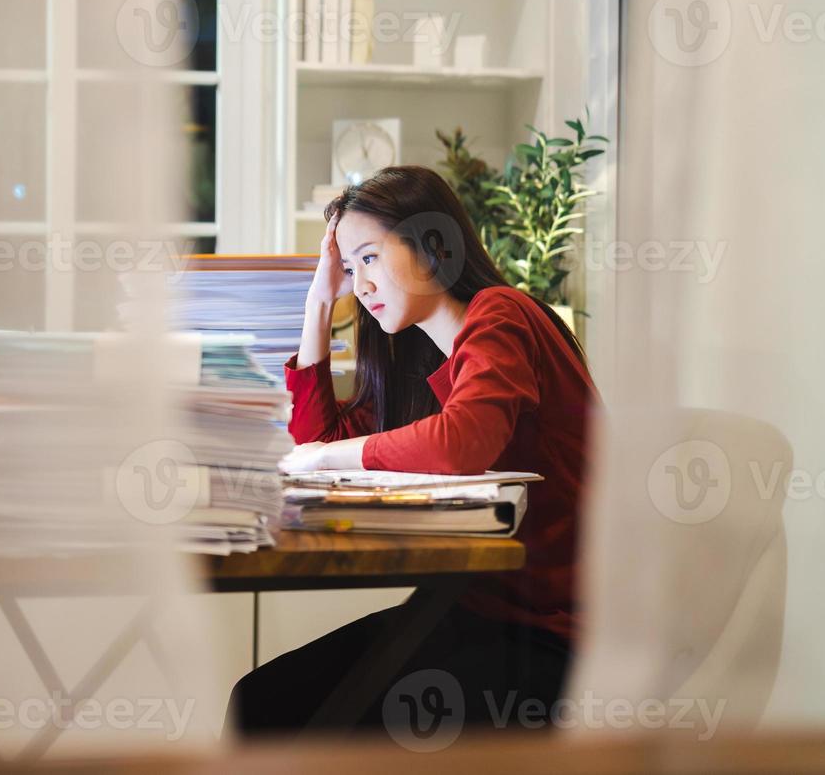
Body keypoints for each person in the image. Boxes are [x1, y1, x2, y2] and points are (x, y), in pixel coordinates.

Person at [228, 165, 598, 738]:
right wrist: (318, 305)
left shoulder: (503, 315)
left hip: (553, 639)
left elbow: (459, 445)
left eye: (370, 258)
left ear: (435, 246)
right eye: (350, 268)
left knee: (294, 718)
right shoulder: (423, 362)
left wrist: (327, 459)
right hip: (471, 610)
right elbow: (315, 440)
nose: (361, 283)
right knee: (259, 701)